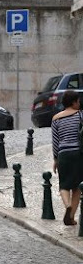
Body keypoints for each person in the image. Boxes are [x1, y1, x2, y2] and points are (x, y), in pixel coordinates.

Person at [51, 90, 83, 226]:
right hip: (78, 154)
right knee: (77, 187)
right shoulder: (81, 115)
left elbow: (55, 141)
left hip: (63, 154)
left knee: (63, 185)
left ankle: (67, 205)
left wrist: (56, 160)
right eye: (78, 101)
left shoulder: (55, 118)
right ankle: (71, 217)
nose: (80, 103)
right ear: (74, 102)